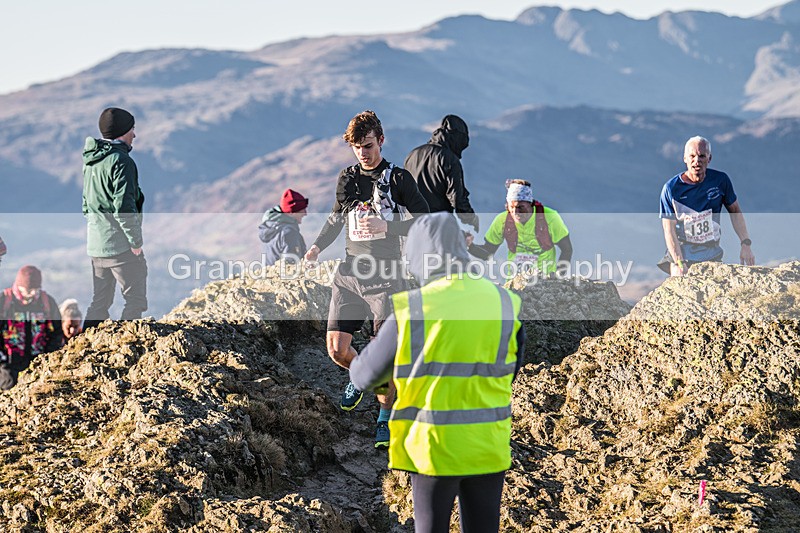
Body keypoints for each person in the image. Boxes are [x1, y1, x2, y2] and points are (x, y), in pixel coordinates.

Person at [349, 213, 525, 533]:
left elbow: (363, 376)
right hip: (488, 444)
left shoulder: (413, 308)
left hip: (432, 449)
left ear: (417, 255)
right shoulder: (504, 302)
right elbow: (510, 370)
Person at [304, 110, 429, 447]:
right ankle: (359, 376)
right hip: (349, 273)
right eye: (358, 147)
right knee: (336, 348)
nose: (364, 153)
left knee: (383, 354)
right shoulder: (347, 178)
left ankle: (385, 419)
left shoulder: (398, 179)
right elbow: (335, 218)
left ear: (381, 141)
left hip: (387, 276)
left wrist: (389, 226)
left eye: (369, 146)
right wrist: (316, 245)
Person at [82, 107, 148, 329]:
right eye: (132, 129)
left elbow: (86, 204)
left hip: (96, 245)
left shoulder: (91, 160)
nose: (134, 135)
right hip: (119, 245)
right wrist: (135, 242)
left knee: (99, 303)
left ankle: (81, 348)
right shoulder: (121, 161)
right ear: (122, 131)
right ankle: (128, 344)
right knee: (135, 299)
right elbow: (124, 208)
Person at [658, 136, 755, 276]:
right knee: (680, 281)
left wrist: (745, 244)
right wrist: (679, 262)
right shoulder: (671, 189)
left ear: (709, 158)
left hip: (711, 253)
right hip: (682, 252)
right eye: (692, 156)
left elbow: (735, 212)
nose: (696, 161)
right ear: (684, 158)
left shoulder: (720, 181)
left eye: (701, 156)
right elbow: (669, 231)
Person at [468, 179, 572, 276]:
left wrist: (557, 277)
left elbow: (567, 249)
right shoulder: (502, 220)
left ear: (531, 204)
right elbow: (487, 253)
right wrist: (469, 245)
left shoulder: (549, 217)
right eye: (512, 207)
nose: (516, 212)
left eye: (520, 207)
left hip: (544, 284)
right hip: (515, 284)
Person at [403, 114, 480, 231]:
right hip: (437, 226)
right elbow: (456, 198)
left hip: (411, 225)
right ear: (458, 139)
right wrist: (471, 218)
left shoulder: (412, 155)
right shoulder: (450, 160)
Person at [0, 266, 63, 390]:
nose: (33, 293)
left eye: (36, 289)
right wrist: (2, 361)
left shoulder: (47, 302)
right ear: (18, 286)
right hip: (8, 366)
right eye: (28, 290)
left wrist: (49, 357)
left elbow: (56, 332)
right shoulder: (3, 302)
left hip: (39, 364)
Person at [258, 188, 309, 265]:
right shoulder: (289, 233)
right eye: (301, 210)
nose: (305, 214)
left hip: (270, 276)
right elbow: (291, 266)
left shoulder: (270, 228)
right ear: (291, 213)